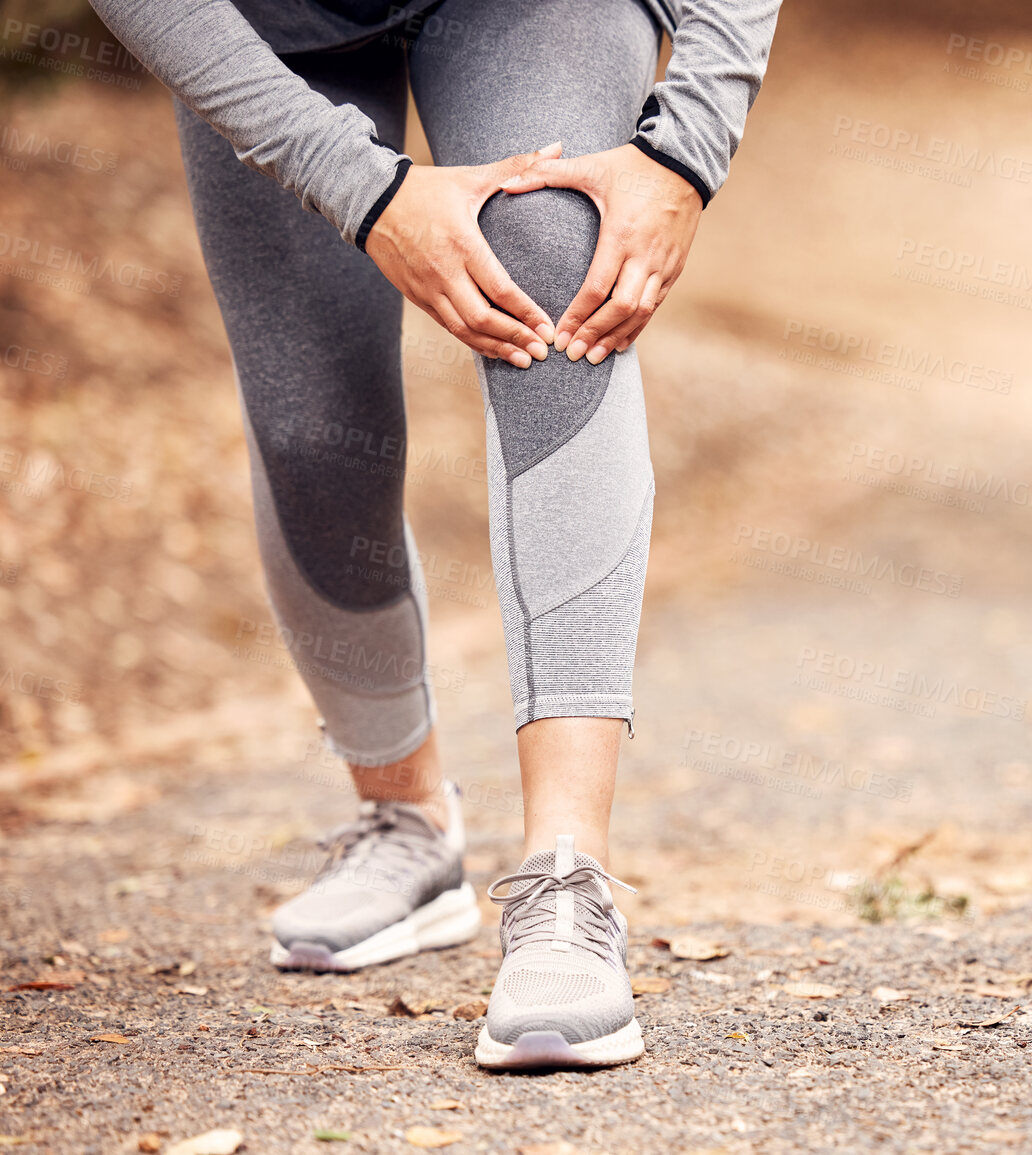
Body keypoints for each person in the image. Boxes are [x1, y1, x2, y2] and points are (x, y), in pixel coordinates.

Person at [86, 0, 781, 1069]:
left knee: (557, 283)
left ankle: (565, 877)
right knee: (314, 430)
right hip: (276, 26)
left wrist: (688, 147)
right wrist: (361, 186)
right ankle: (408, 825)